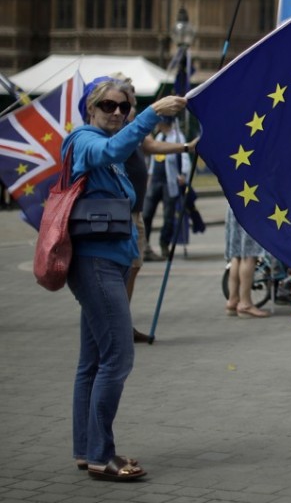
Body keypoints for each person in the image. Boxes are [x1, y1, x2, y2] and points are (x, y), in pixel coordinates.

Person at [64, 76, 187, 480]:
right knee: (118, 357)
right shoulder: (84, 139)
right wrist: (153, 113)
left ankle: (86, 449)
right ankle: (102, 456)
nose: (117, 112)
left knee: (92, 360)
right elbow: (114, 148)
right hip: (96, 264)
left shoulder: (108, 147)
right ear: (90, 108)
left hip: (109, 262)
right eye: (108, 106)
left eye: (124, 107)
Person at [111, 75, 197, 343]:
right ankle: (114, 326)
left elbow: (149, 145)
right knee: (120, 268)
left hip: (132, 210)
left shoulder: (133, 125)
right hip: (118, 210)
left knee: (133, 265)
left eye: (131, 94)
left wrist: (184, 147)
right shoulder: (115, 124)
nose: (131, 98)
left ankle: (121, 322)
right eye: (127, 93)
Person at [141, 117, 191, 259]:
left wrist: (183, 174)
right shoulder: (159, 136)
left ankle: (164, 244)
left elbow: (184, 157)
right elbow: (152, 159)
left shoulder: (177, 137)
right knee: (146, 214)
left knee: (168, 216)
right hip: (155, 180)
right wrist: (149, 178)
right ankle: (144, 245)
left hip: (170, 182)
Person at [223, 205, 270, 318]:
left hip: (235, 202)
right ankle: (245, 303)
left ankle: (232, 300)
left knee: (237, 255)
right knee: (249, 255)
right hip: (251, 205)